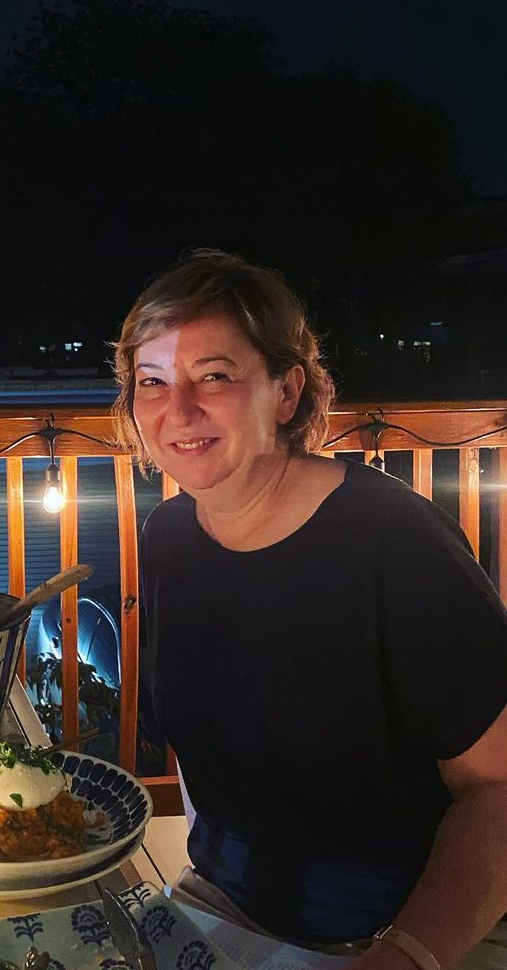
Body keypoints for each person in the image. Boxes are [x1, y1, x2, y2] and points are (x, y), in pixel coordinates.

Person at [112, 250, 507, 967]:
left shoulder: (394, 542)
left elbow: (499, 790)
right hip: (227, 906)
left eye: (215, 376)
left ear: (286, 392)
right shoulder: (169, 536)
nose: (179, 410)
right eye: (153, 382)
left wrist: (406, 955)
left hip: (418, 934)